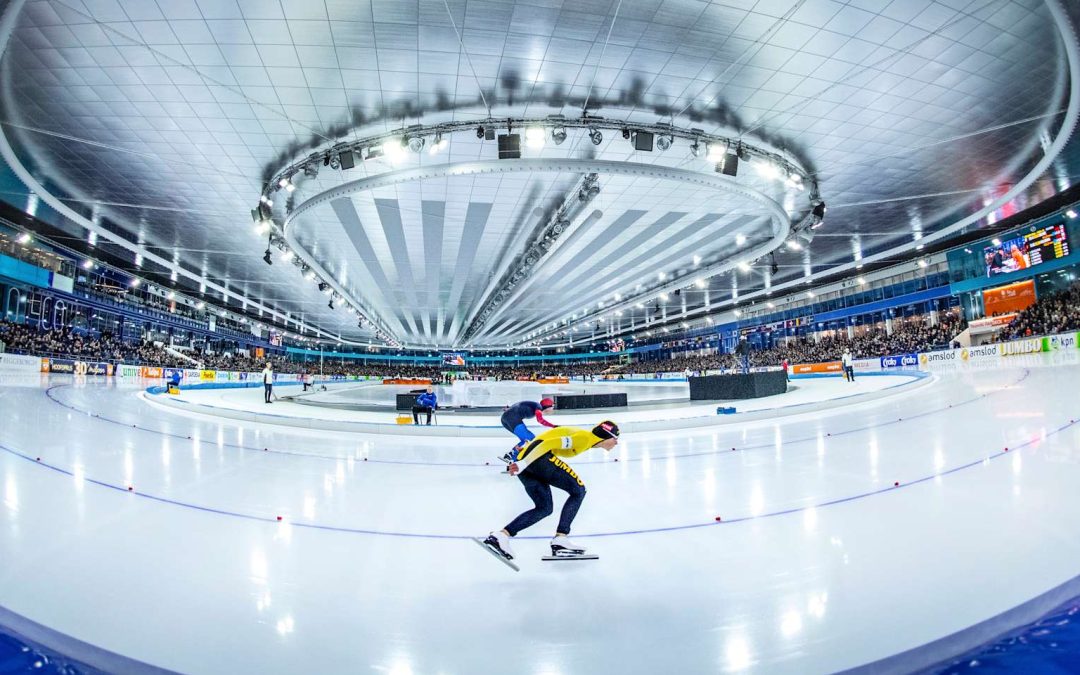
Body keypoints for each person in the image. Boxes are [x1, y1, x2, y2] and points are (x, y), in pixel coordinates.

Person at [482, 421, 620, 561]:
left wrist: (521, 461)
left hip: (528, 460)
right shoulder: (584, 438)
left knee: (544, 508)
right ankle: (561, 539)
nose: (616, 443)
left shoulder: (586, 439)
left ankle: (501, 536)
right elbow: (546, 444)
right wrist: (523, 463)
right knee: (578, 491)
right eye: (615, 438)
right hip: (536, 459)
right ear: (606, 437)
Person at [499, 398, 557, 464]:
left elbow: (519, 405)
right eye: (552, 406)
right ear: (547, 406)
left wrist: (509, 409)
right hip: (512, 418)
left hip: (505, 419)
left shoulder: (535, 405)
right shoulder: (538, 407)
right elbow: (540, 420)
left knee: (526, 440)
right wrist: (554, 426)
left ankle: (513, 459)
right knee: (530, 439)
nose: (553, 409)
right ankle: (510, 456)